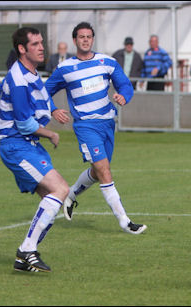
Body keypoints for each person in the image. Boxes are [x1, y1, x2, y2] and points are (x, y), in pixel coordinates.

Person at [0, 27, 72, 273]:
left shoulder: (29, 73)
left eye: (42, 42)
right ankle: (26, 250)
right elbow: (25, 124)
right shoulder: (19, 78)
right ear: (22, 49)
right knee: (61, 189)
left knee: (52, 201)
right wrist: (51, 132)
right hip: (17, 146)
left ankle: (25, 256)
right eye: (35, 44)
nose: (42, 47)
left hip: (26, 146)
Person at [45, 22, 147, 235]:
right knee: (104, 170)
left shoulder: (106, 62)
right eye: (81, 36)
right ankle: (124, 220)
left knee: (99, 170)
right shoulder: (65, 68)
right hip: (85, 126)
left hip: (108, 123)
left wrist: (123, 96)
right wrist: (53, 110)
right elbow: (43, 92)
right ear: (75, 40)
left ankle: (71, 194)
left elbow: (126, 85)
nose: (85, 40)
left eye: (88, 36)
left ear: (92, 39)